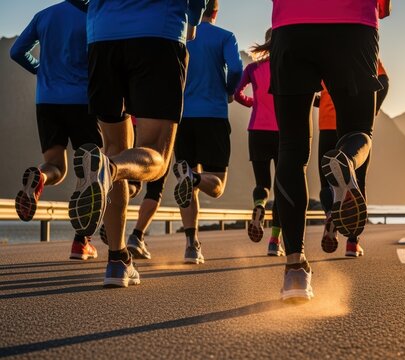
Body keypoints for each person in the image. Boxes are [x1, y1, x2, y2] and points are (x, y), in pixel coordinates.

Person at [66, 0, 207, 288]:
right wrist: (192, 18)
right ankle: (109, 169)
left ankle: (117, 260)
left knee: (115, 146)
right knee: (154, 155)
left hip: (102, 38)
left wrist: (96, 8)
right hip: (160, 33)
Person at [270, 0, 390, 301]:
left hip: (291, 24)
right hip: (353, 25)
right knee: (358, 132)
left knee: (291, 148)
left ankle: (294, 271)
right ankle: (346, 159)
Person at [11, 1, 102, 261]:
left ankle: (39, 178)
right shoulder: (93, 14)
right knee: (90, 173)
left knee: (55, 167)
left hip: (47, 100)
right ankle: (80, 242)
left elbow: (17, 51)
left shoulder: (44, 16)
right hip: (83, 101)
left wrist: (40, 70)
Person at [173, 0, 243, 264]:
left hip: (182, 119)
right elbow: (236, 69)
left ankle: (192, 245)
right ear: (215, 11)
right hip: (213, 116)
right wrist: (228, 90)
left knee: (186, 183)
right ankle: (192, 178)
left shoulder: (179, 35)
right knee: (216, 186)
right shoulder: (225, 37)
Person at [316, 59, 389, 257]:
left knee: (327, 181)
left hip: (327, 123)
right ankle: (352, 242)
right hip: (354, 124)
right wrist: (373, 110)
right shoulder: (366, 46)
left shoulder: (323, 48)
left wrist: (321, 101)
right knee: (357, 180)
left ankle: (331, 214)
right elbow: (384, 81)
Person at [234, 28, 284, 257]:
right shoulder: (286, 67)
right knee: (283, 188)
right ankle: (274, 241)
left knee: (262, 183)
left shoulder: (253, 68)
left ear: (265, 43)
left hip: (257, 130)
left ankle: (260, 205)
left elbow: (236, 93)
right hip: (283, 132)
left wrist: (253, 103)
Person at [99, 116, 168, 261]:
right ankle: (137, 236)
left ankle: (108, 185)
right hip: (155, 121)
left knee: (127, 179)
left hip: (129, 123)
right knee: (155, 188)